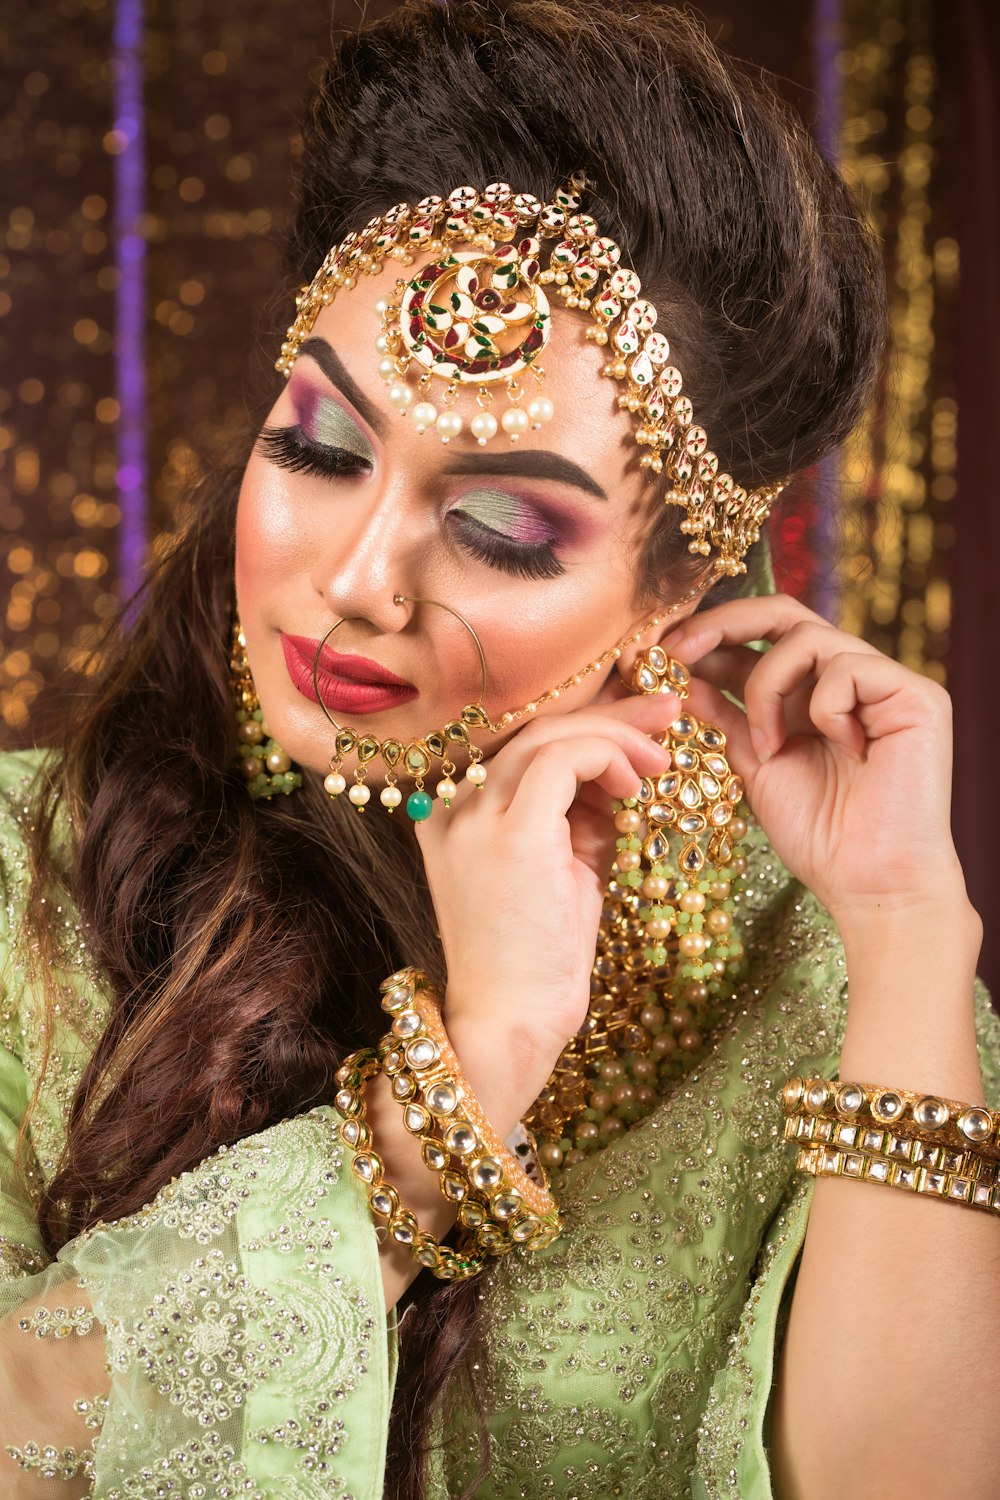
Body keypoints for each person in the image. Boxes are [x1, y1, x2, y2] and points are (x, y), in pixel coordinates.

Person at [1, 2, 997, 1496]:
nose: (357, 577)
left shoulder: (816, 975)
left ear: (682, 589)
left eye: (501, 528)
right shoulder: (28, 877)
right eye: (320, 449)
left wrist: (914, 935)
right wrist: (457, 1089)